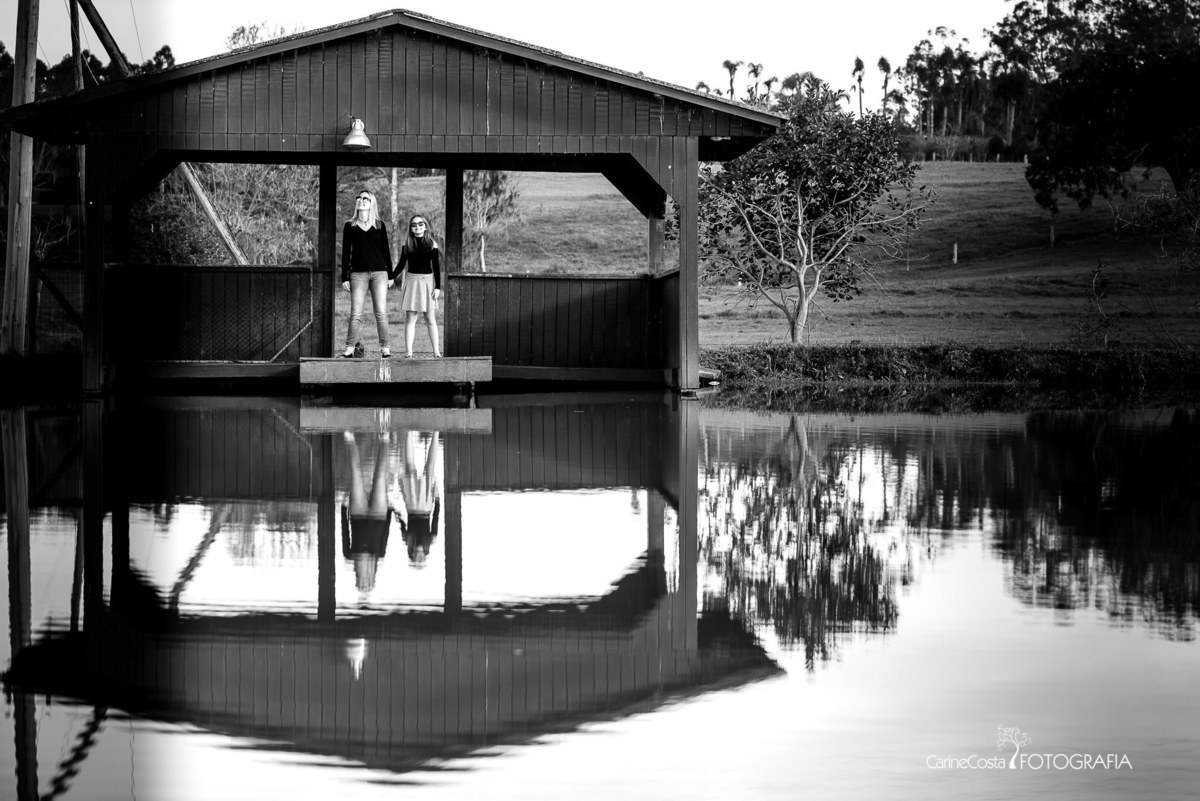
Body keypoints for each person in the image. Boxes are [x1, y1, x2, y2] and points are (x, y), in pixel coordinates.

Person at [340, 190, 394, 358]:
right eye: (359, 198)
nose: (361, 200)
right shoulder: (350, 226)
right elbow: (346, 253)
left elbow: (386, 251)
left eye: (365, 198)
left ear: (372, 203)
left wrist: (391, 275)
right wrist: (344, 276)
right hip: (358, 274)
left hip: (380, 273)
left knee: (381, 312)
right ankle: (349, 349)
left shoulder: (380, 225)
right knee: (356, 313)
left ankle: (385, 349)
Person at [341, 431, 393, 594]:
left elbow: (345, 532)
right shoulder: (380, 556)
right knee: (379, 477)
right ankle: (384, 439)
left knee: (356, 475)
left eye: (361, 583)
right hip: (379, 515)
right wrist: (390, 510)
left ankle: (350, 440)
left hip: (357, 515)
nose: (364, 580)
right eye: (367, 583)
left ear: (357, 578)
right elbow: (386, 533)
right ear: (371, 578)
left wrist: (343, 509)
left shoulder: (349, 556)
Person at [394, 215, 442, 358]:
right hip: (412, 282)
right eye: (414, 225)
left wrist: (437, 287)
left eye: (421, 224)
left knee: (430, 319)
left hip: (427, 283)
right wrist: (390, 276)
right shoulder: (407, 245)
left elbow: (436, 268)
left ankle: (436, 352)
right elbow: (401, 266)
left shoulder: (432, 245)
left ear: (425, 226)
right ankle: (409, 351)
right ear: (411, 228)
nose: (417, 227)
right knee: (410, 318)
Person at [398, 430, 441, 566]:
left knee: (410, 468)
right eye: (420, 559)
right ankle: (436, 433)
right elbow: (436, 518)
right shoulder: (430, 539)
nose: (419, 556)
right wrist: (438, 500)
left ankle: (409, 433)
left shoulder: (408, 540)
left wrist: (394, 510)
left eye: (416, 558)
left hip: (412, 507)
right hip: (425, 508)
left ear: (411, 555)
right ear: (424, 556)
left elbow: (401, 522)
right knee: (429, 468)